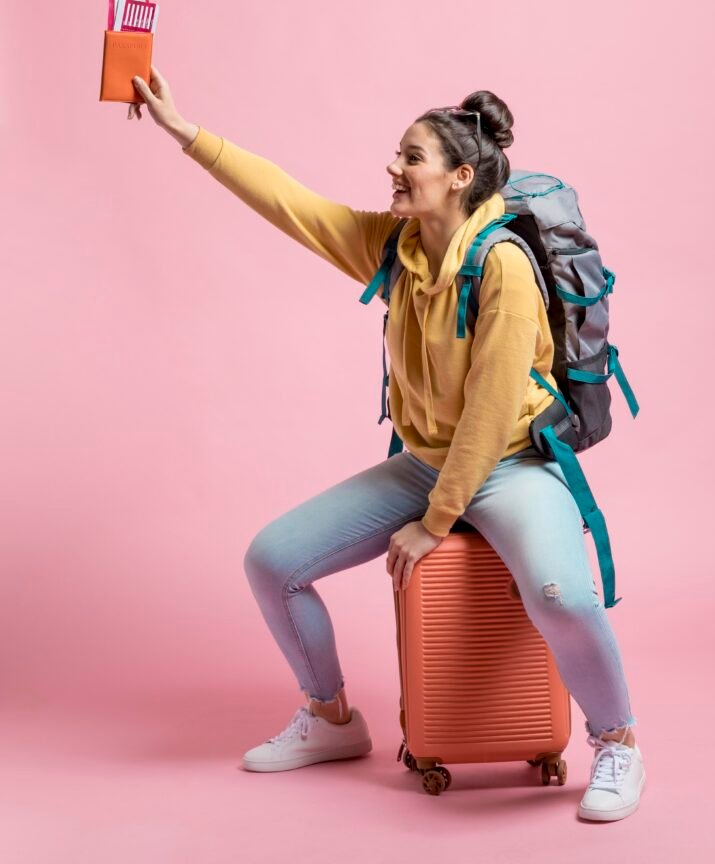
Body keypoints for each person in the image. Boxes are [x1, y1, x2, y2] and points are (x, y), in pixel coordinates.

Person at [128, 69, 646, 822]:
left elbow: (490, 411)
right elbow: (291, 203)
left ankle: (618, 741)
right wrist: (186, 134)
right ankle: (331, 718)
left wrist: (435, 522)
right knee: (273, 561)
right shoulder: (395, 246)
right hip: (425, 461)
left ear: (459, 177)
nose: (392, 167)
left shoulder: (502, 266)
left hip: (511, 464)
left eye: (410, 157)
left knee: (559, 593)